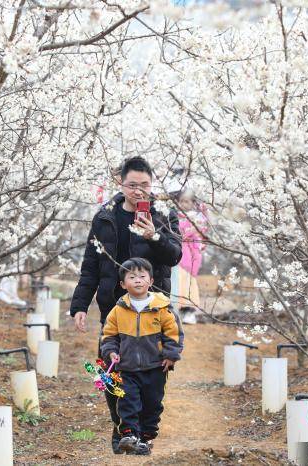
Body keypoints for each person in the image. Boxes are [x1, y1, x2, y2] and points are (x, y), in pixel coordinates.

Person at [70, 156, 182, 453]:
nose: (139, 191)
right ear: (121, 183)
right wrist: (80, 305)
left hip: (153, 310)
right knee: (109, 370)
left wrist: (154, 236)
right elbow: (90, 264)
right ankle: (122, 428)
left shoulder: (163, 213)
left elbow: (174, 256)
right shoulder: (105, 216)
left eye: (144, 185)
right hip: (114, 310)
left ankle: (142, 432)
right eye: (132, 185)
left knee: (151, 377)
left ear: (151, 184)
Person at [101, 258, 184, 455]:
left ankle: (145, 439)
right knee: (127, 401)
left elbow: (174, 333)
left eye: (142, 276)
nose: (137, 280)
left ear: (151, 280)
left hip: (155, 367)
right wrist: (111, 352)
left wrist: (171, 355)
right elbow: (109, 336)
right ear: (123, 284)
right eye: (132, 277)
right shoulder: (118, 310)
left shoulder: (161, 307)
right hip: (127, 368)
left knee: (152, 405)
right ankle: (129, 435)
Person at [170, 190, 208, 324]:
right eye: (181, 201)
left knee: (187, 282)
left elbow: (188, 234)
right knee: (176, 281)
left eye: (187, 201)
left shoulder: (197, 218)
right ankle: (176, 310)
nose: (183, 204)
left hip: (190, 254)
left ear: (193, 203)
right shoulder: (174, 216)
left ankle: (188, 311)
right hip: (177, 253)